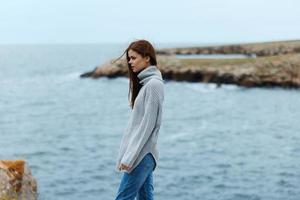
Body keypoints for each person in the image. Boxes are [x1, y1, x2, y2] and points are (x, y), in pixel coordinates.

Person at [114, 40, 164, 200]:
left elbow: (148, 126)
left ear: (147, 58)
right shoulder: (147, 84)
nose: (130, 62)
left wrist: (129, 157)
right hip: (144, 154)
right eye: (129, 58)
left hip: (142, 155)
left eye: (134, 58)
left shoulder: (154, 85)